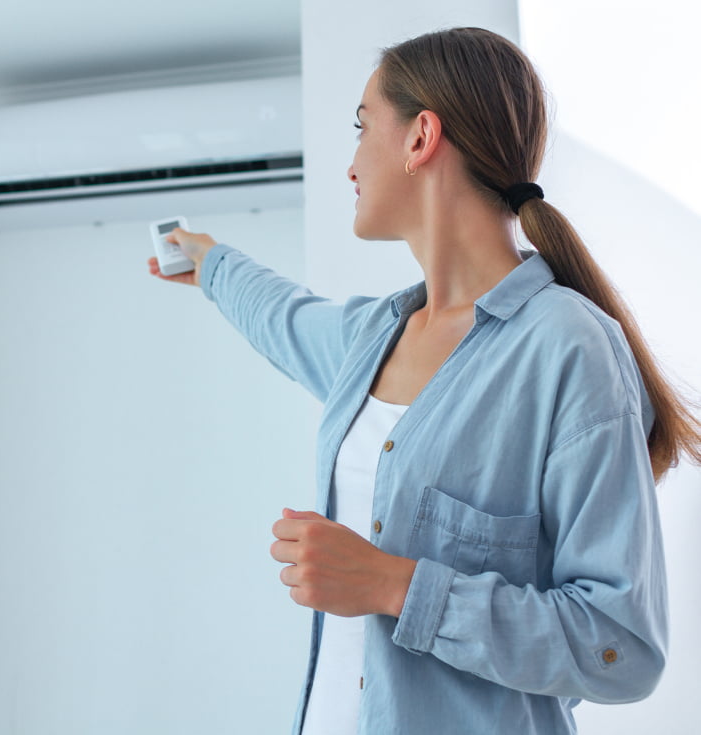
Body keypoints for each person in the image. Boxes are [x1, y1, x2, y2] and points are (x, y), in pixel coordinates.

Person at [147, 26, 701, 735]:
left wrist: (390, 584)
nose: (348, 164)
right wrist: (206, 260)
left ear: (420, 138)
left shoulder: (569, 348)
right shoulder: (372, 337)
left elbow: (621, 644)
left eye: (361, 127)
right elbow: (284, 317)